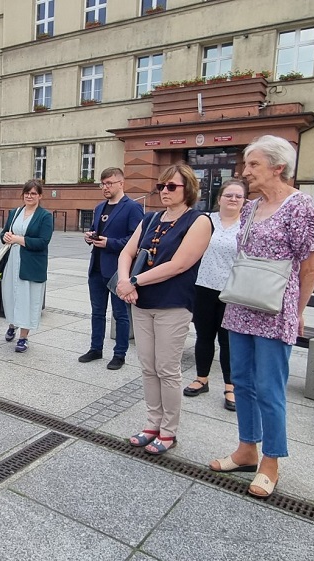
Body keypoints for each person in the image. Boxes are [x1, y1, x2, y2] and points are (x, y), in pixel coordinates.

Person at [210, 135, 314, 499]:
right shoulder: (250, 207)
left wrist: (298, 312)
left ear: (278, 167)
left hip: (276, 310)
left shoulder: (299, 205)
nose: (245, 172)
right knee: (241, 380)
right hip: (241, 304)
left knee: (270, 388)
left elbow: (311, 267)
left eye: (254, 165)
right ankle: (246, 449)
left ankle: (270, 460)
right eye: (246, 164)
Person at [115, 163, 212, 455]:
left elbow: (179, 264)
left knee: (167, 369)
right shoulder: (151, 218)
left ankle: (169, 430)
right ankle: (152, 423)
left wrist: (133, 280)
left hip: (173, 303)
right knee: (148, 367)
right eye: (162, 186)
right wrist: (123, 281)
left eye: (172, 186)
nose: (165, 191)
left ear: (189, 189)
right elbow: (127, 251)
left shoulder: (199, 221)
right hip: (142, 302)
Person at [184, 178, 248, 411]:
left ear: (244, 201)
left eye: (238, 196)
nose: (233, 199)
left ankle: (231, 386)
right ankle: (202, 378)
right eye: (228, 195)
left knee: (228, 340)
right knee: (204, 335)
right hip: (203, 286)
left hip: (233, 290)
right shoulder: (205, 221)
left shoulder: (248, 225)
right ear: (219, 198)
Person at [80, 167, 145, 370]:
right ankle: (96, 348)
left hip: (118, 270)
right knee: (97, 312)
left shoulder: (132, 208)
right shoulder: (100, 207)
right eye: (103, 184)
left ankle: (120, 354)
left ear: (121, 183)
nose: (105, 187)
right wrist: (91, 237)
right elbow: (100, 232)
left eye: (109, 183)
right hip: (97, 267)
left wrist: (110, 243)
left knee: (120, 314)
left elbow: (136, 240)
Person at [0, 179, 54, 353]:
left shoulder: (45, 216)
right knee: (12, 296)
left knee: (28, 299)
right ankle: (13, 324)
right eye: (27, 193)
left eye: (33, 193)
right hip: (13, 261)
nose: (29, 196)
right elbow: (4, 233)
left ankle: (23, 337)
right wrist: (6, 237)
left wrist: (18, 239)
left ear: (40, 196)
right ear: (22, 194)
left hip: (31, 264)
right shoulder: (15, 212)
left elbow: (43, 242)